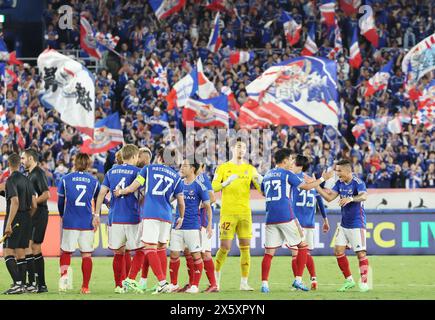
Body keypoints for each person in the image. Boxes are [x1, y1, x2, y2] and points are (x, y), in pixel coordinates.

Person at [260, 149, 333, 293]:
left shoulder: (267, 175)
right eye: (291, 159)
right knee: (303, 246)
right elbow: (306, 186)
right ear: (285, 160)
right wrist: (323, 179)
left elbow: (263, 192)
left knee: (268, 253)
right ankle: (298, 280)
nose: (292, 162)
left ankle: (264, 284)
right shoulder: (287, 174)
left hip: (270, 217)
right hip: (286, 215)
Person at [115, 148, 185, 294]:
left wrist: (121, 191)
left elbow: (135, 186)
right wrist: (181, 217)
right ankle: (161, 282)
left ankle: (161, 282)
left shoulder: (149, 169)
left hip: (151, 213)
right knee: (161, 248)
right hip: (167, 215)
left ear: (159, 158)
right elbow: (180, 202)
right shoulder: (177, 177)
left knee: (149, 247)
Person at [211, 138, 262, 291]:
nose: (242, 150)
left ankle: (244, 283)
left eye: (244, 148)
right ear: (232, 148)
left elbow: (261, 190)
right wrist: (226, 183)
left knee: (245, 247)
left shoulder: (250, 168)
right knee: (225, 246)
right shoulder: (222, 168)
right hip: (228, 213)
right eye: (239, 147)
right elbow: (213, 186)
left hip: (245, 213)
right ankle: (216, 280)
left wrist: (264, 182)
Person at [315, 159, 370, 292]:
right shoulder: (339, 183)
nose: (337, 172)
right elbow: (329, 198)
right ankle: (349, 280)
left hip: (357, 223)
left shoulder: (358, 182)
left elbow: (364, 196)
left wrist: (351, 199)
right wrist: (316, 187)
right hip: (344, 224)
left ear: (347, 171)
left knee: (361, 254)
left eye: (339, 170)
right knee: (338, 251)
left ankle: (364, 282)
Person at [95, 144, 142, 294]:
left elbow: (102, 193)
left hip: (114, 217)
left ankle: (118, 285)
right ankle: (130, 280)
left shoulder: (111, 171)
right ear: (134, 156)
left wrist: (96, 214)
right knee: (140, 250)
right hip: (132, 216)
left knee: (119, 253)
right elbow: (143, 194)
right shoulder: (138, 171)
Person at [57, 153, 101, 294]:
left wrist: (63, 215)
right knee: (86, 255)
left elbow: (60, 202)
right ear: (88, 164)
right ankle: (85, 287)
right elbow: (99, 199)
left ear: (74, 162)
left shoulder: (65, 179)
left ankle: (64, 283)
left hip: (70, 220)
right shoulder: (94, 181)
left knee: (66, 253)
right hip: (86, 221)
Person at [168, 160, 212, 294]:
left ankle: (195, 285)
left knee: (196, 255)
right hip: (178, 226)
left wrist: (209, 225)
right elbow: (169, 199)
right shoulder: (179, 183)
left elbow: (208, 206)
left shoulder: (199, 186)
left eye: (185, 166)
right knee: (174, 254)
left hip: (193, 226)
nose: (182, 168)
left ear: (192, 169)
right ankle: (174, 284)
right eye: (181, 165)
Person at [289, 155, 329, 291]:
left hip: (296, 223)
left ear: (299, 165)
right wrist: (325, 219)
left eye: (293, 162)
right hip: (310, 222)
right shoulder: (312, 181)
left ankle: (297, 282)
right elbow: (320, 201)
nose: (291, 165)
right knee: (306, 254)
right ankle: (314, 280)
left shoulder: (293, 179)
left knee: (295, 254)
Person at [2, 153, 37, 295]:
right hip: (27, 217)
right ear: (19, 164)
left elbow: (15, 202)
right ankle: (22, 284)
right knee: (21, 252)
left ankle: (17, 284)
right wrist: (27, 217)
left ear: (9, 164)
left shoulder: (11, 180)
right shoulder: (27, 179)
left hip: (15, 218)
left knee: (8, 252)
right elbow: (34, 204)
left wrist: (9, 224)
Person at [21, 148, 51, 293]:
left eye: (23, 158)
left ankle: (41, 284)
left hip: (39, 213)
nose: (22, 161)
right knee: (29, 247)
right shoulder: (30, 174)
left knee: (35, 247)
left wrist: (32, 205)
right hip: (33, 214)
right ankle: (34, 283)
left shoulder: (38, 173)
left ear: (30, 159)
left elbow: (46, 194)